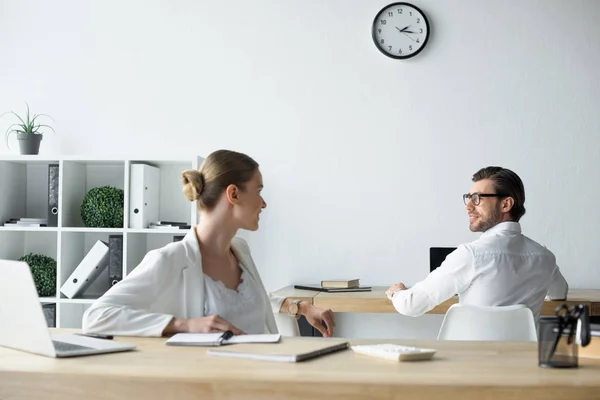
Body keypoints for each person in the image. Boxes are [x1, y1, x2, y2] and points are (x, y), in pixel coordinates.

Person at [83, 150, 335, 337]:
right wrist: (185, 325)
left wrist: (299, 307)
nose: (264, 203)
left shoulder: (240, 250)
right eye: (258, 190)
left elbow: (243, 303)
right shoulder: (170, 259)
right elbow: (96, 317)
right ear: (233, 194)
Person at [385, 166, 568, 321]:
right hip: (523, 361)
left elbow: (411, 305)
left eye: (477, 199)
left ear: (506, 205)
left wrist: (397, 293)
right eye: (469, 198)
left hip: (470, 361)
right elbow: (560, 293)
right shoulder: (544, 258)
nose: (468, 206)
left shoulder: (471, 255)